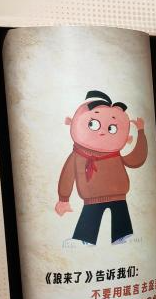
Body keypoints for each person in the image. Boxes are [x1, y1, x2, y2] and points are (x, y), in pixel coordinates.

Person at [56, 90, 148, 245]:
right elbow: (67, 175)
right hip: (91, 197)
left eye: (112, 128)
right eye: (93, 124)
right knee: (89, 223)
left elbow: (136, 159)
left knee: (121, 224)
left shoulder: (115, 155)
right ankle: (84, 239)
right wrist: (63, 199)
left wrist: (141, 132)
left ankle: (121, 237)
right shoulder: (78, 155)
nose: (103, 132)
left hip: (119, 195)